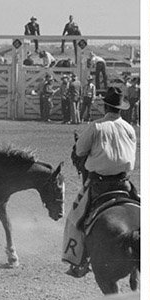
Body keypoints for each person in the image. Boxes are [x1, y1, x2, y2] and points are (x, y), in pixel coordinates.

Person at [61, 86, 138, 275]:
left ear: (105, 106)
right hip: (125, 183)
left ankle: (77, 261)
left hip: (100, 185)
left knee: (75, 218)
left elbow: (79, 151)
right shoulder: (130, 128)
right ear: (121, 108)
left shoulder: (96, 127)